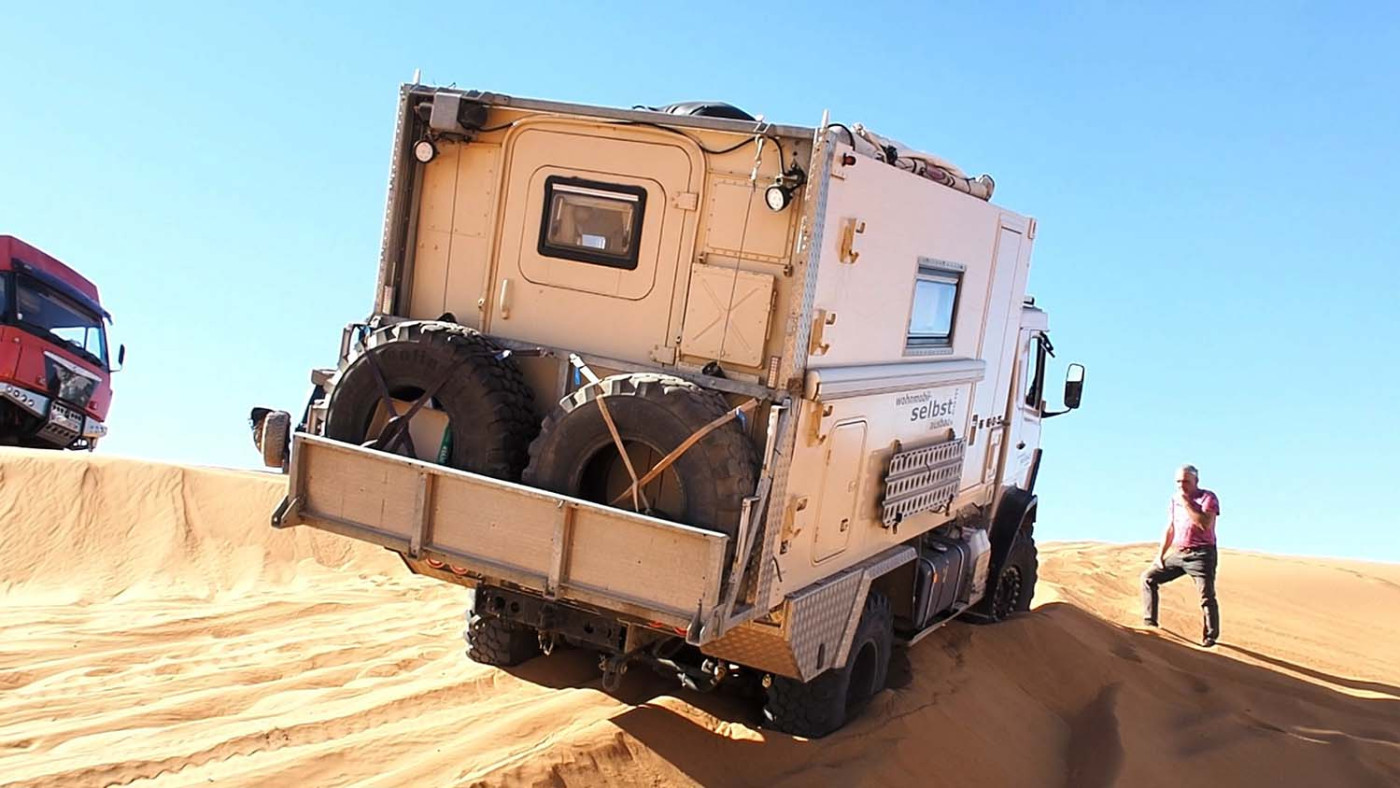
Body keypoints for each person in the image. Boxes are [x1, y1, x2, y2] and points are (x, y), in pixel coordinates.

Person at [1141, 464, 1221, 647]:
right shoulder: (1174, 499)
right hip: (1179, 553)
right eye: (1178, 482)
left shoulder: (1207, 498)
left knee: (1206, 595)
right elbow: (1171, 527)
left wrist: (1186, 502)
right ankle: (1149, 622)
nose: (1181, 486)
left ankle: (1210, 636)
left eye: (1186, 481)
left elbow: (1204, 524)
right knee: (1148, 578)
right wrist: (1160, 555)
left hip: (1202, 554)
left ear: (1196, 481)